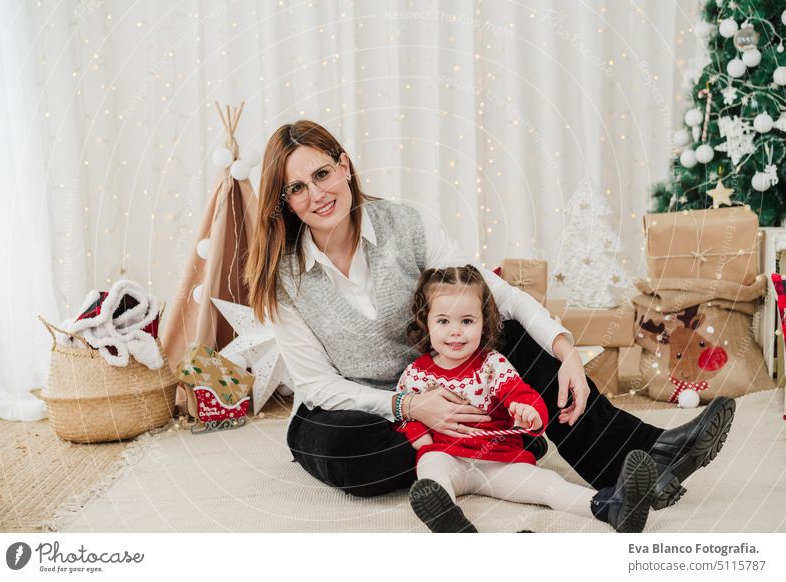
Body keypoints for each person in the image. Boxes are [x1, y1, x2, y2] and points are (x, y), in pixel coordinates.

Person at [244, 120, 735, 519]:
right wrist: (411, 407)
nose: (316, 194)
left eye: (323, 174)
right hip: (363, 411)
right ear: (285, 201)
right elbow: (319, 385)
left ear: (345, 166)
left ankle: (647, 456)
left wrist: (564, 349)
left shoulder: (408, 224)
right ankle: (492, 447)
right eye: (297, 188)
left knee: (514, 336)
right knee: (340, 447)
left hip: (451, 386)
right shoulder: (282, 277)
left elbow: (494, 293)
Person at [396, 265, 656, 533]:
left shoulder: (492, 363)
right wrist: (424, 442)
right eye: (443, 321)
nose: (456, 331)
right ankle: (450, 521)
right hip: (449, 457)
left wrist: (528, 411)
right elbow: (406, 416)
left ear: (484, 321)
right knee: (430, 467)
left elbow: (520, 393)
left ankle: (611, 506)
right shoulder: (416, 374)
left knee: (548, 484)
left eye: (467, 321)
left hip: (499, 459)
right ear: (425, 322)